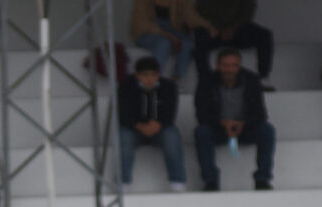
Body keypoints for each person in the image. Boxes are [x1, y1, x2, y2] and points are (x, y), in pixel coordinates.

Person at [194, 47, 276, 191]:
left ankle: (262, 179)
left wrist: (243, 123)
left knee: (267, 130)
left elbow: (260, 113)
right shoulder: (206, 81)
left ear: (239, 66)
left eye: (233, 65)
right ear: (218, 66)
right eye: (225, 65)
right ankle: (210, 180)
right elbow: (201, 113)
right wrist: (222, 123)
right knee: (202, 132)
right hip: (218, 128)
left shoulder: (251, 80)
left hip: (245, 128)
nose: (229, 70)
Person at [118, 56, 187, 192]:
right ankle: (123, 183)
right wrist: (140, 126)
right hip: (134, 129)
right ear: (137, 75)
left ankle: (177, 182)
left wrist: (157, 125)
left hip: (160, 129)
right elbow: (123, 114)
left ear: (158, 75)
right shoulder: (125, 87)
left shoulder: (168, 87)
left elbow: (170, 113)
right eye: (145, 75)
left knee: (172, 137)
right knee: (124, 138)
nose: (149, 79)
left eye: (153, 75)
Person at [193, 0, 276, 91]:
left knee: (265, 35)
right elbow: (200, 11)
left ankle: (263, 77)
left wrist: (234, 28)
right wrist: (216, 27)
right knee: (198, 36)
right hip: (214, 30)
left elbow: (248, 12)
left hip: (239, 30)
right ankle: (205, 79)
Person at [130, 0, 214, 83]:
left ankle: (176, 80)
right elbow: (143, 23)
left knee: (187, 44)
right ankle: (155, 79)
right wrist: (168, 36)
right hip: (149, 33)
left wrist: (209, 26)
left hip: (173, 32)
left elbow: (192, 17)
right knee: (164, 43)